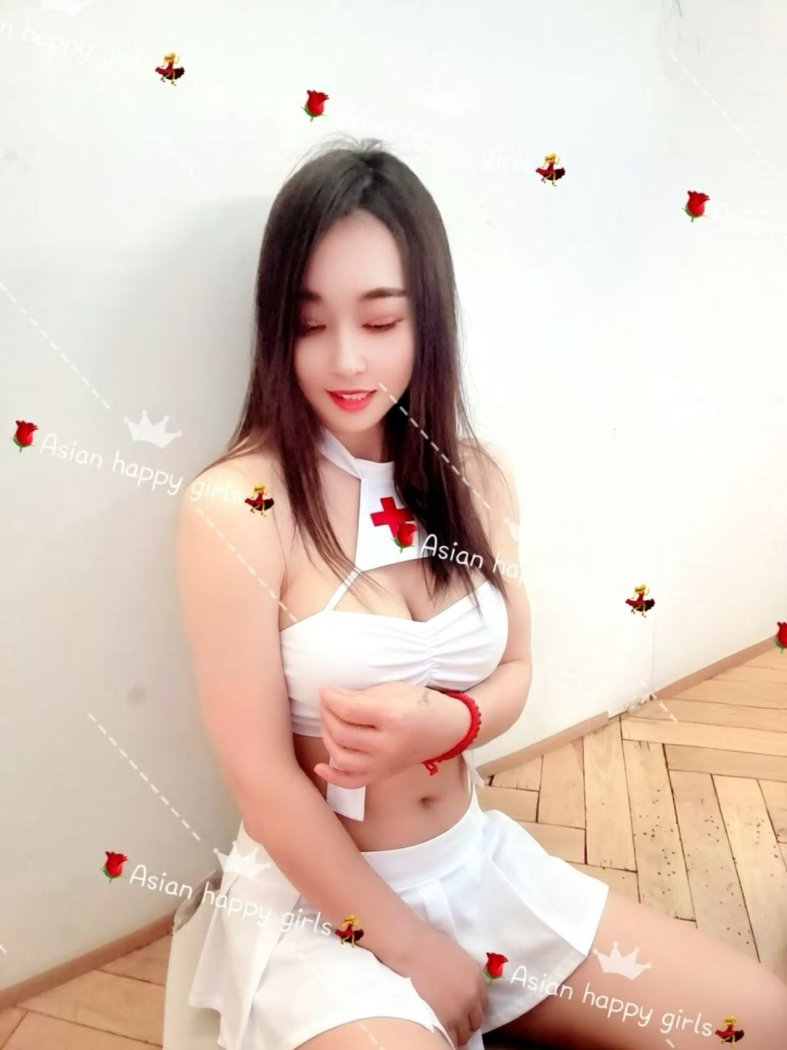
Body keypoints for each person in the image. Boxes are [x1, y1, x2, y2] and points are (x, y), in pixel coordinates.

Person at [175, 137, 787, 1050]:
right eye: (309, 325)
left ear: (427, 319)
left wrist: (447, 724)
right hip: (323, 907)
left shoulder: (475, 476)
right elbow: (262, 780)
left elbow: (515, 668)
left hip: (474, 868)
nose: (345, 359)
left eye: (380, 321)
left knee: (759, 1021)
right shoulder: (236, 506)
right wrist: (406, 944)